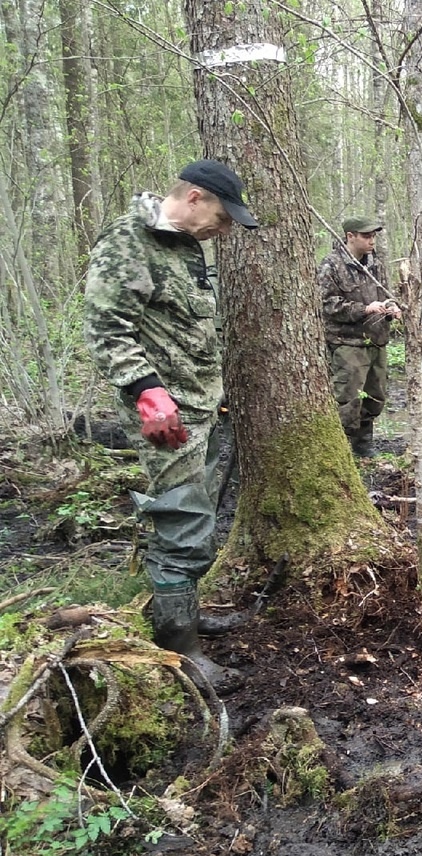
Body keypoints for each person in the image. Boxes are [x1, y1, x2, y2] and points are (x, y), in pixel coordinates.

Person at [83, 159, 258, 689]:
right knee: (183, 523)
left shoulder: (184, 247)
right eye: (225, 219)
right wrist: (145, 390)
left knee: (197, 515)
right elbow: (106, 326)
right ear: (196, 197)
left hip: (199, 405)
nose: (225, 230)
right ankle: (180, 650)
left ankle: (185, 614)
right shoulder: (129, 240)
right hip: (166, 416)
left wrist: (217, 390)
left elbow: (190, 326)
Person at [318, 215, 401, 456]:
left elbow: (387, 293)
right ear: (350, 236)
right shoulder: (332, 265)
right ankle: (342, 451)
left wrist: (391, 308)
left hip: (377, 340)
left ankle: (364, 445)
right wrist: (363, 309)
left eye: (373, 236)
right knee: (348, 398)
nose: (371, 241)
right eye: (366, 236)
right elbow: (327, 304)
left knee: (375, 396)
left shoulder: (375, 264)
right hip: (348, 342)